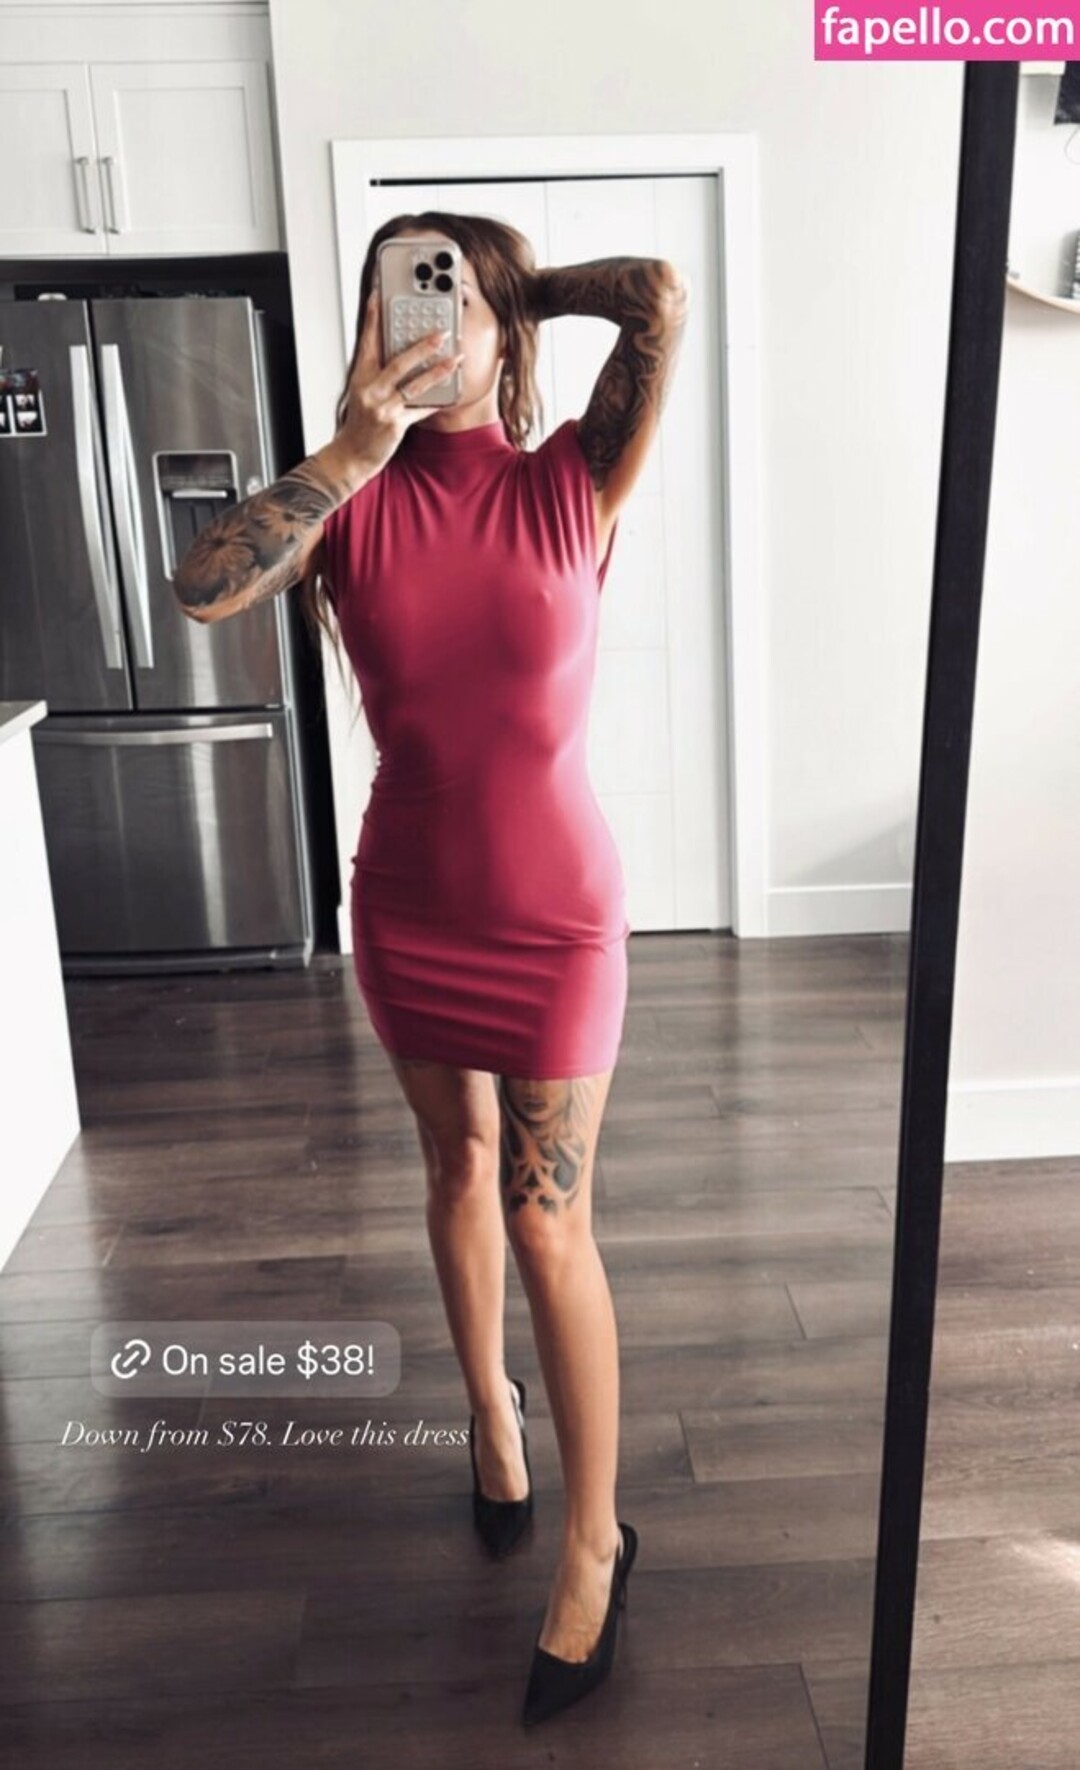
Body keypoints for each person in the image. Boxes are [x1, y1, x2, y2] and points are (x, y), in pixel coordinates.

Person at [173, 210, 689, 1728]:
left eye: (445, 285)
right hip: (408, 906)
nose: (425, 312)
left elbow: (658, 298)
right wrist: (351, 443)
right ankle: (489, 1416)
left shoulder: (573, 479)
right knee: (459, 1169)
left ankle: (594, 1545)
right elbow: (201, 588)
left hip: (558, 916)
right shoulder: (349, 503)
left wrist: (509, 292)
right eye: (398, 287)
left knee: (546, 1216)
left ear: (500, 318)